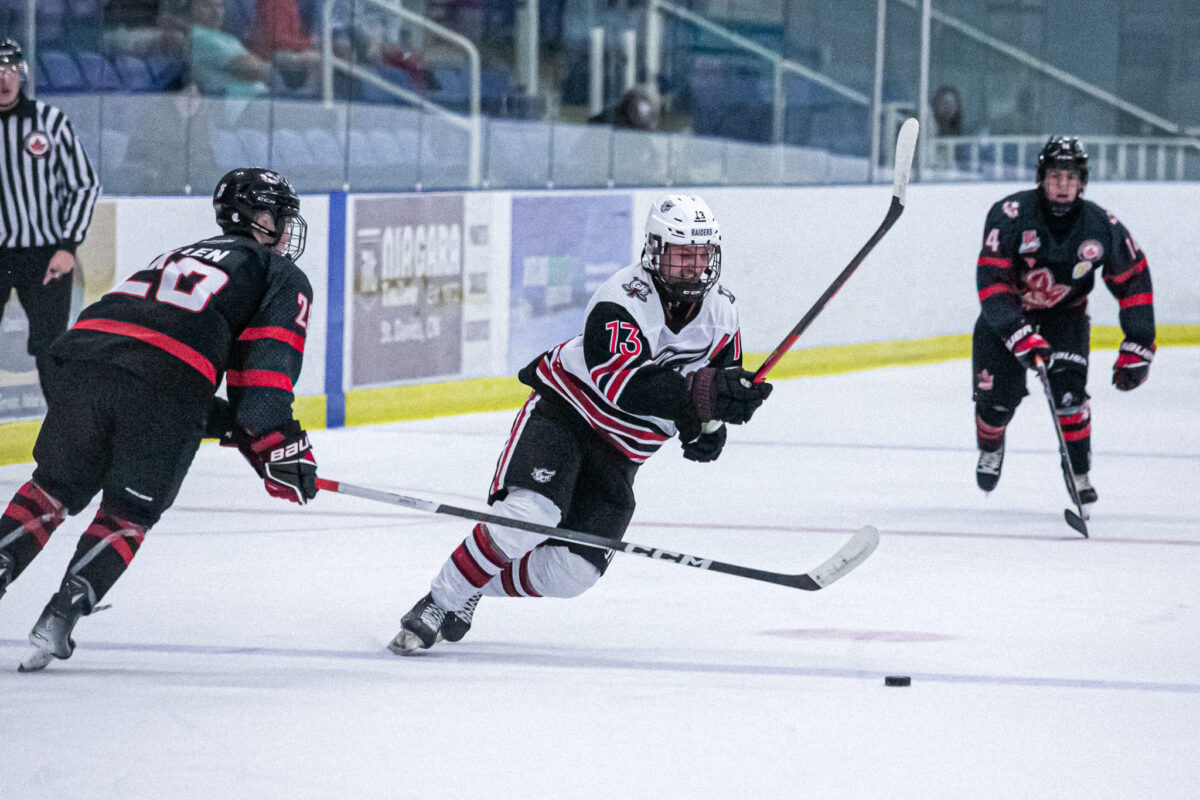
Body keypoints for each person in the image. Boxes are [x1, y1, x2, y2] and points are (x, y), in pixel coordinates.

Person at [389, 194, 773, 654]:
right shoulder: (622, 298)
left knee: (573, 574)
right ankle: (438, 600)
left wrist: (708, 428)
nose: (692, 266)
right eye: (681, 254)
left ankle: (471, 585)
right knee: (532, 515)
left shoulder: (723, 314)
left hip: (623, 455)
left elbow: (714, 384)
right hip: (568, 418)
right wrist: (701, 397)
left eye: (701, 255)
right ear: (654, 250)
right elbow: (622, 385)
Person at [0, 167, 319, 672]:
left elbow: (169, 383)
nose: (284, 230)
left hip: (83, 365)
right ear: (256, 219)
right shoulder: (279, 275)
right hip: (161, 386)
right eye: (277, 217)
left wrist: (254, 440)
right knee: (128, 512)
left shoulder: (179, 254)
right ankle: (58, 619)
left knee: (51, 491)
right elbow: (255, 392)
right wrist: (281, 445)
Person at [972, 136, 1155, 507]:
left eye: (1071, 177)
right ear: (1042, 177)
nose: (1063, 185)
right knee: (995, 406)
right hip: (1006, 319)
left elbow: (1133, 279)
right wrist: (1018, 333)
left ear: (1082, 181)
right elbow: (991, 281)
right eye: (1056, 176)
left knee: (1069, 398)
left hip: (1064, 318)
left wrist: (1139, 343)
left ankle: (1079, 471)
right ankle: (991, 446)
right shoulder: (1008, 215)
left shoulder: (1102, 226)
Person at [0, 38, 100, 394]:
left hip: (45, 255)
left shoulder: (50, 122)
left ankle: (66, 434)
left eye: (10, 68)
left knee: (52, 348)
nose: (4, 78)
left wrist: (68, 245)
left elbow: (85, 184)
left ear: (22, 73)